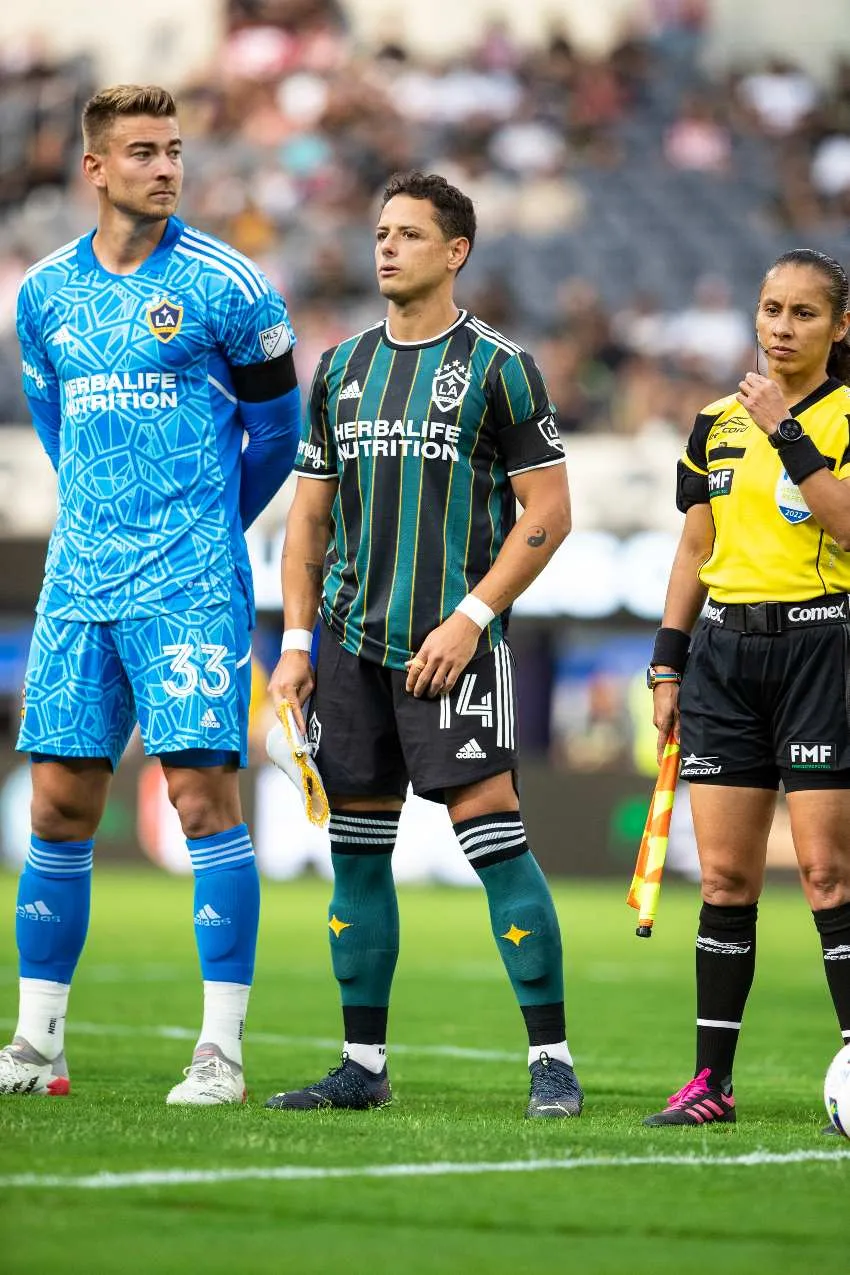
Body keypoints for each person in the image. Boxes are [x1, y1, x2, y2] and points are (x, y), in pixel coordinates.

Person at [1, 85, 300, 1104]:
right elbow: (54, 424)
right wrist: (106, 512)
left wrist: (208, 529)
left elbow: (279, 439)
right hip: (79, 582)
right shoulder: (43, 295)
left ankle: (220, 1051)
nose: (165, 167)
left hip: (188, 584)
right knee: (57, 801)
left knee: (201, 800)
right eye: (142, 152)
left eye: (173, 150)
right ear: (94, 168)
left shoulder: (232, 286)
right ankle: (37, 1046)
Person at [265, 170, 583, 1118]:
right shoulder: (345, 366)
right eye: (380, 231)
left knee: (496, 839)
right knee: (359, 853)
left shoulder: (500, 366)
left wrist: (470, 617)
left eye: (408, 233)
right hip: (352, 644)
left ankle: (550, 1060)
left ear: (457, 252)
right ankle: (362, 1064)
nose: (386, 246)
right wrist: (294, 639)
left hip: (455, 645)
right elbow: (307, 521)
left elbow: (552, 512)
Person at [646, 248, 850, 1127]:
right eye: (772, 309)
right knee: (726, 878)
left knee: (826, 872)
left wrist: (789, 434)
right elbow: (696, 549)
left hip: (821, 650)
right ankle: (710, 1084)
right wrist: (667, 659)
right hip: (726, 658)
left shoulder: (841, 416)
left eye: (805, 313)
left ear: (840, 328)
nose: (781, 327)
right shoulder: (714, 422)